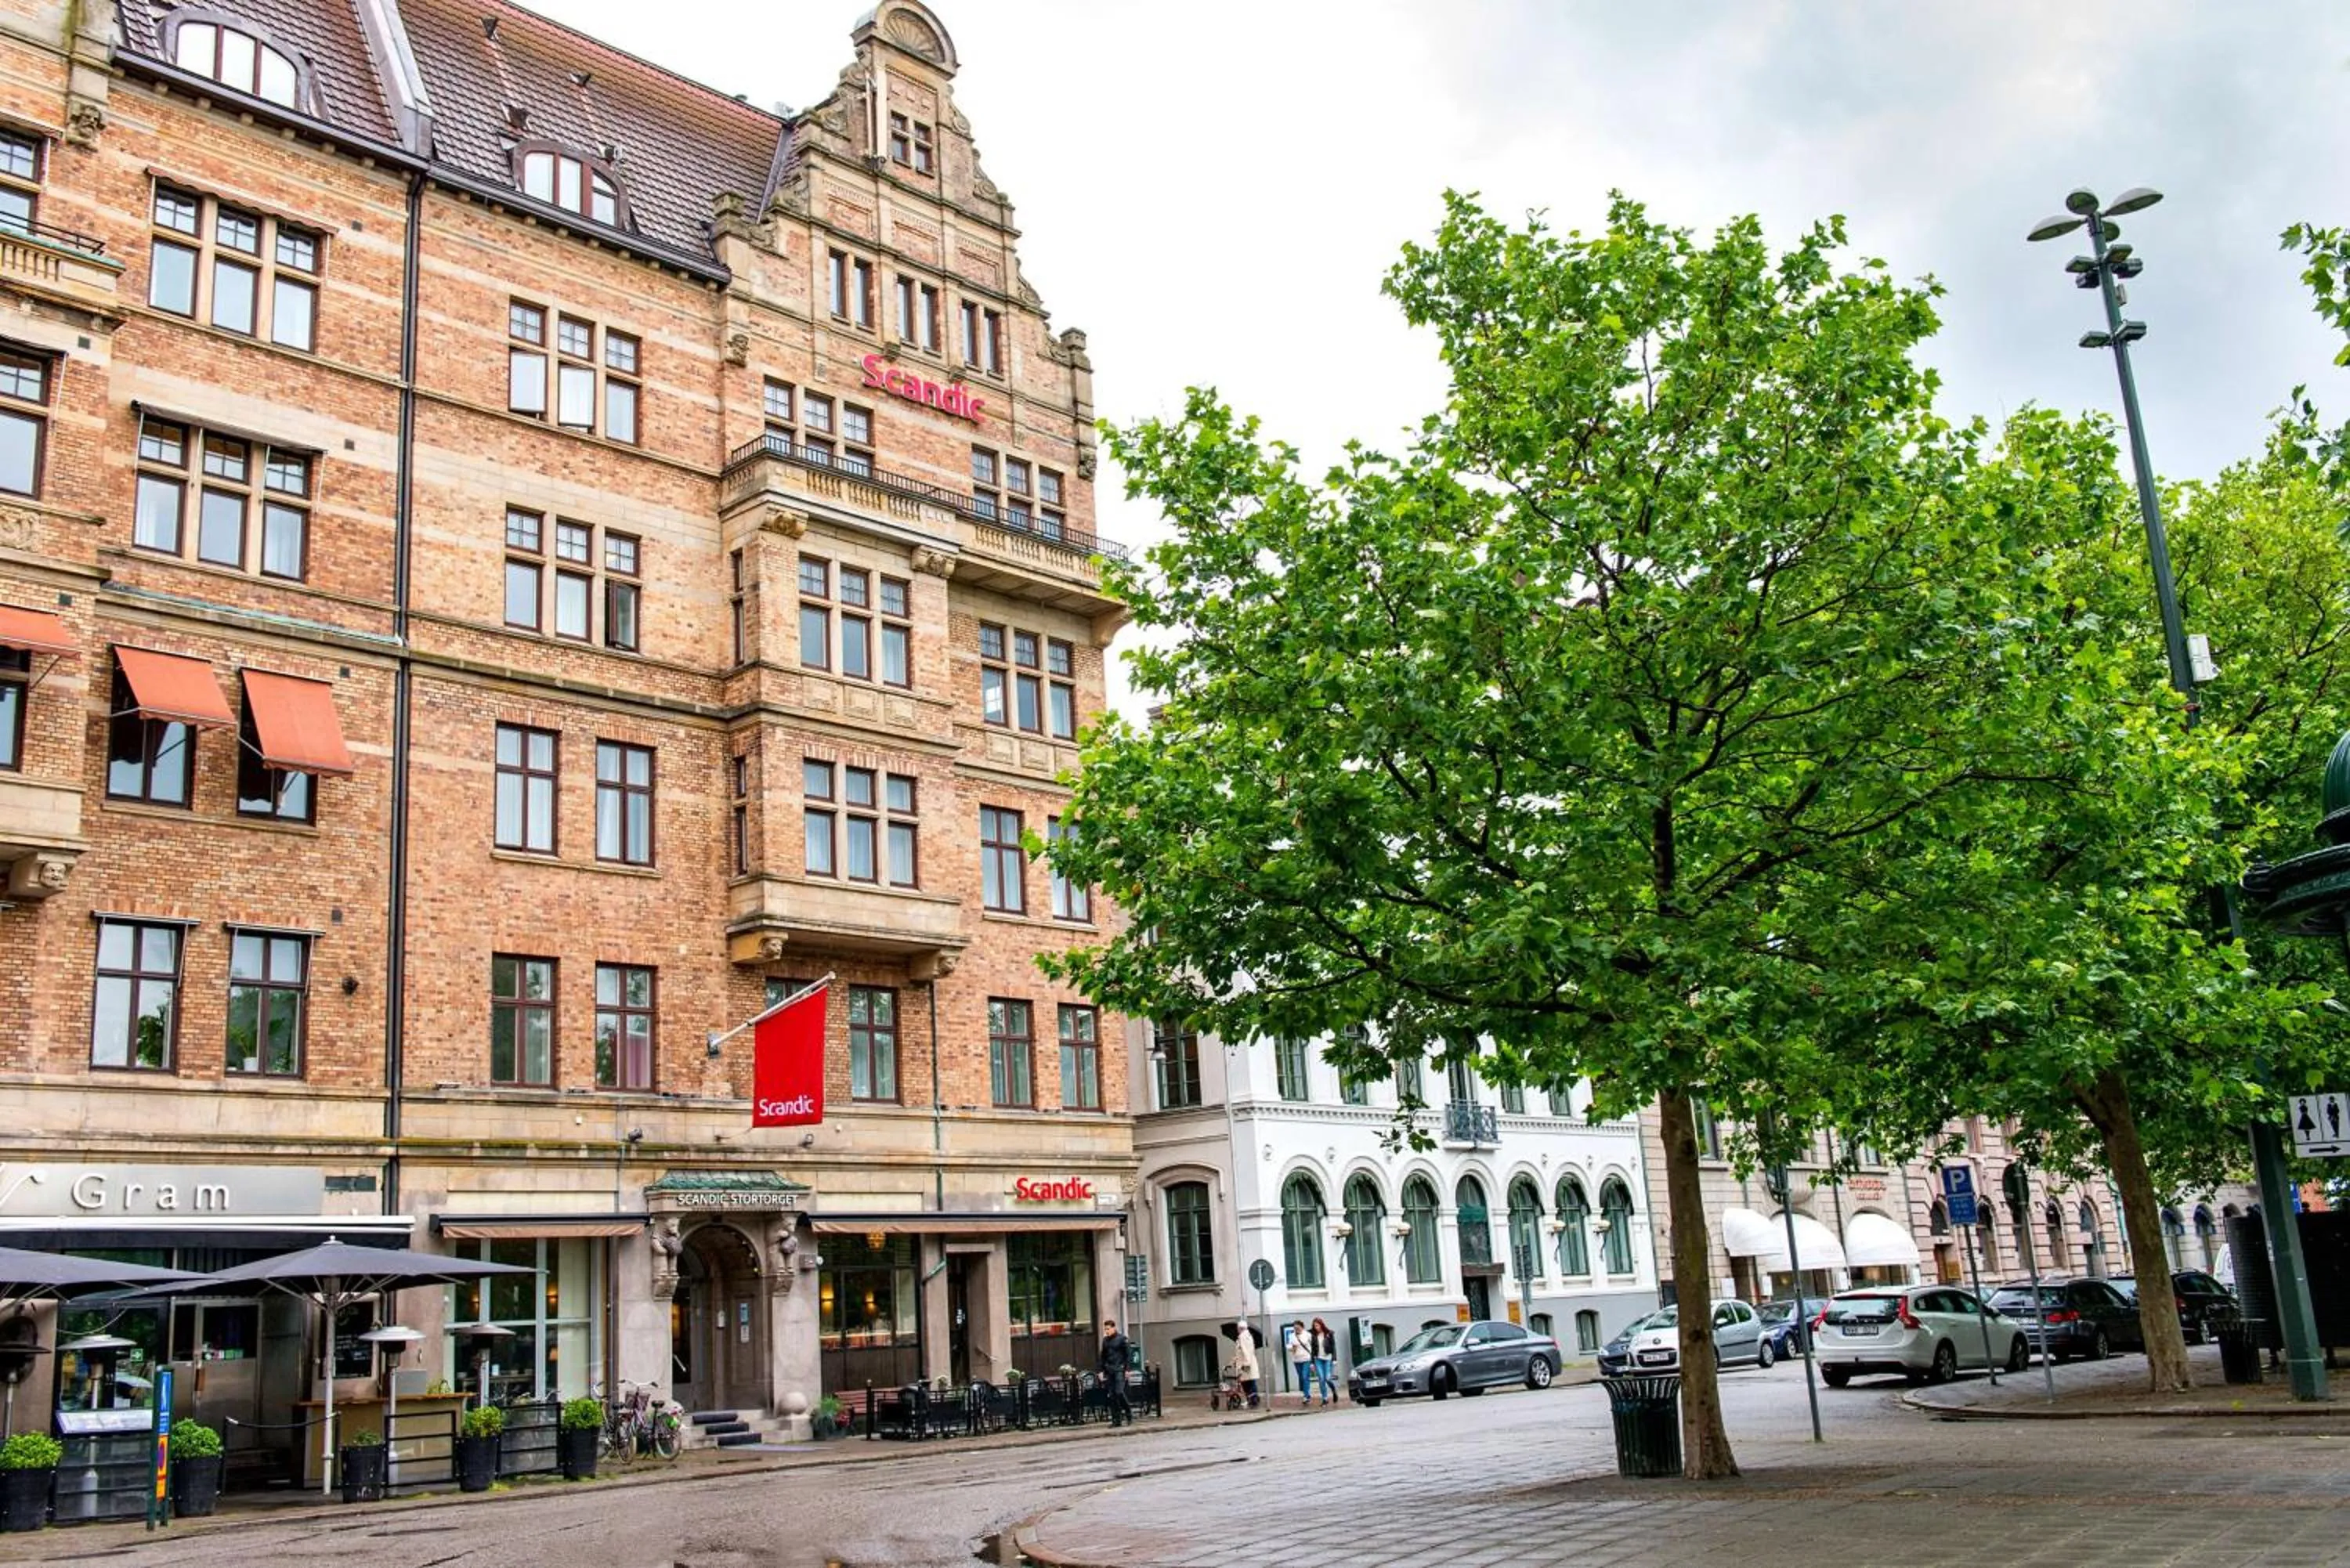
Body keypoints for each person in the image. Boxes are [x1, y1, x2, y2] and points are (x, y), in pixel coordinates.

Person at [1098, 1317, 1133, 1429]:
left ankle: (1128, 1413)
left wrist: (1127, 1369)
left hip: (1119, 1370)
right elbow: (1103, 1356)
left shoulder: (1122, 1339)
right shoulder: (1105, 1341)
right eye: (1105, 1329)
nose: (1107, 1331)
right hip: (1109, 1370)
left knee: (1119, 1392)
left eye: (1108, 1329)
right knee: (1112, 1396)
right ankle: (1116, 1420)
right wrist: (1101, 1370)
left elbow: (1128, 1355)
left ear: (1114, 1328)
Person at [1230, 1320, 1260, 1408]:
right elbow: (1241, 1352)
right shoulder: (1248, 1336)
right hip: (1247, 1363)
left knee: (1247, 1383)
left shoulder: (1242, 1337)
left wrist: (1246, 1363)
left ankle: (1252, 1401)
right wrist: (1235, 1360)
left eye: (1237, 1328)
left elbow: (1245, 1351)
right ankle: (1252, 1400)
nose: (1237, 1330)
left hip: (1245, 1364)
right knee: (1249, 1382)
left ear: (1240, 1328)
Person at [1310, 1317, 1339, 1407]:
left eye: (1317, 1326)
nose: (1316, 1328)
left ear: (1321, 1325)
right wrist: (1312, 1362)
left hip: (1328, 1359)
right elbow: (1312, 1349)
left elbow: (1333, 1346)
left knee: (1327, 1378)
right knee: (1321, 1379)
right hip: (1318, 1359)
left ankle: (1334, 1390)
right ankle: (1325, 1399)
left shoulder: (1329, 1333)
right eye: (1315, 1326)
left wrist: (1334, 1359)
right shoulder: (1313, 1335)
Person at [1285, 1320, 1314, 1407]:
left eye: (1298, 1328)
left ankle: (1306, 1396)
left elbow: (1313, 1346)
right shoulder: (1291, 1336)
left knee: (1305, 1377)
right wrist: (1291, 1348)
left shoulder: (1307, 1335)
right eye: (1295, 1328)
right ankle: (1306, 1392)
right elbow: (1288, 1345)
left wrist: (1313, 1360)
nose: (1296, 1330)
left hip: (1306, 1358)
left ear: (1302, 1327)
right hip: (1297, 1359)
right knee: (1301, 1377)